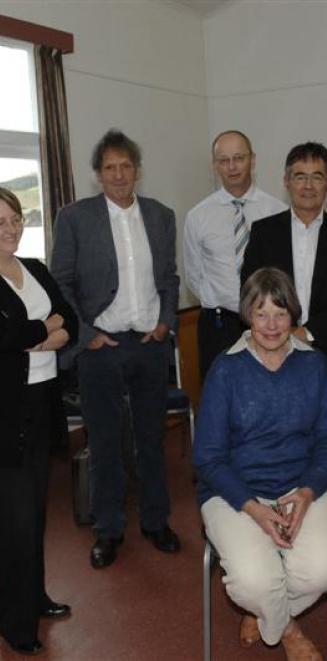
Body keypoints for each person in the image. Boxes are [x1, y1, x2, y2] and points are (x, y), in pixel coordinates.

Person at [194, 267, 327, 661]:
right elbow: (208, 457)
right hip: (235, 494)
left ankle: (266, 615)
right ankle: (286, 628)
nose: (272, 325)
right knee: (253, 583)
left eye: (281, 313)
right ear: (248, 316)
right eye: (261, 313)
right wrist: (255, 509)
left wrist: (308, 492)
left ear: (293, 315)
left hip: (301, 486)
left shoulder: (315, 364)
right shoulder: (226, 369)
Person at [51, 129, 180, 569]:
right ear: (97, 175)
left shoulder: (161, 215)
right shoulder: (75, 218)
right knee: (103, 444)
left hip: (148, 344)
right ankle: (107, 530)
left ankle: (155, 521)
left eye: (127, 166)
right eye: (110, 167)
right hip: (100, 346)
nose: (119, 174)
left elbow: (169, 278)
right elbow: (60, 283)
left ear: (138, 172)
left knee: (151, 440)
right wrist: (87, 335)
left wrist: (166, 323)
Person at [241, 141, 327, 530]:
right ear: (286, 180)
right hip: (273, 357)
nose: (308, 185)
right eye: (300, 176)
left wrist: (306, 332)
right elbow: (249, 291)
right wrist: (280, 334)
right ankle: (279, 522)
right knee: (279, 443)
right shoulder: (264, 232)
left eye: (317, 176)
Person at [0, 188, 78, 655]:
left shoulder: (35, 268)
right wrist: (44, 330)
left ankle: (34, 594)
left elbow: (69, 315)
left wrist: (46, 334)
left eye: (15, 219)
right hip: (7, 413)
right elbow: (6, 335)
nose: (10, 228)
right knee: (14, 519)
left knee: (36, 512)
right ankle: (14, 619)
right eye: (0, 221)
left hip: (43, 405)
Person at [183, 130, 286, 380]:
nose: (232, 166)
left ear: (253, 159)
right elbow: (194, 276)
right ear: (214, 165)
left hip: (269, 323)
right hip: (219, 325)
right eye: (224, 160)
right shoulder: (198, 216)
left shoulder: (277, 210)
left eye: (239, 158)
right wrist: (220, 300)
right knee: (220, 400)